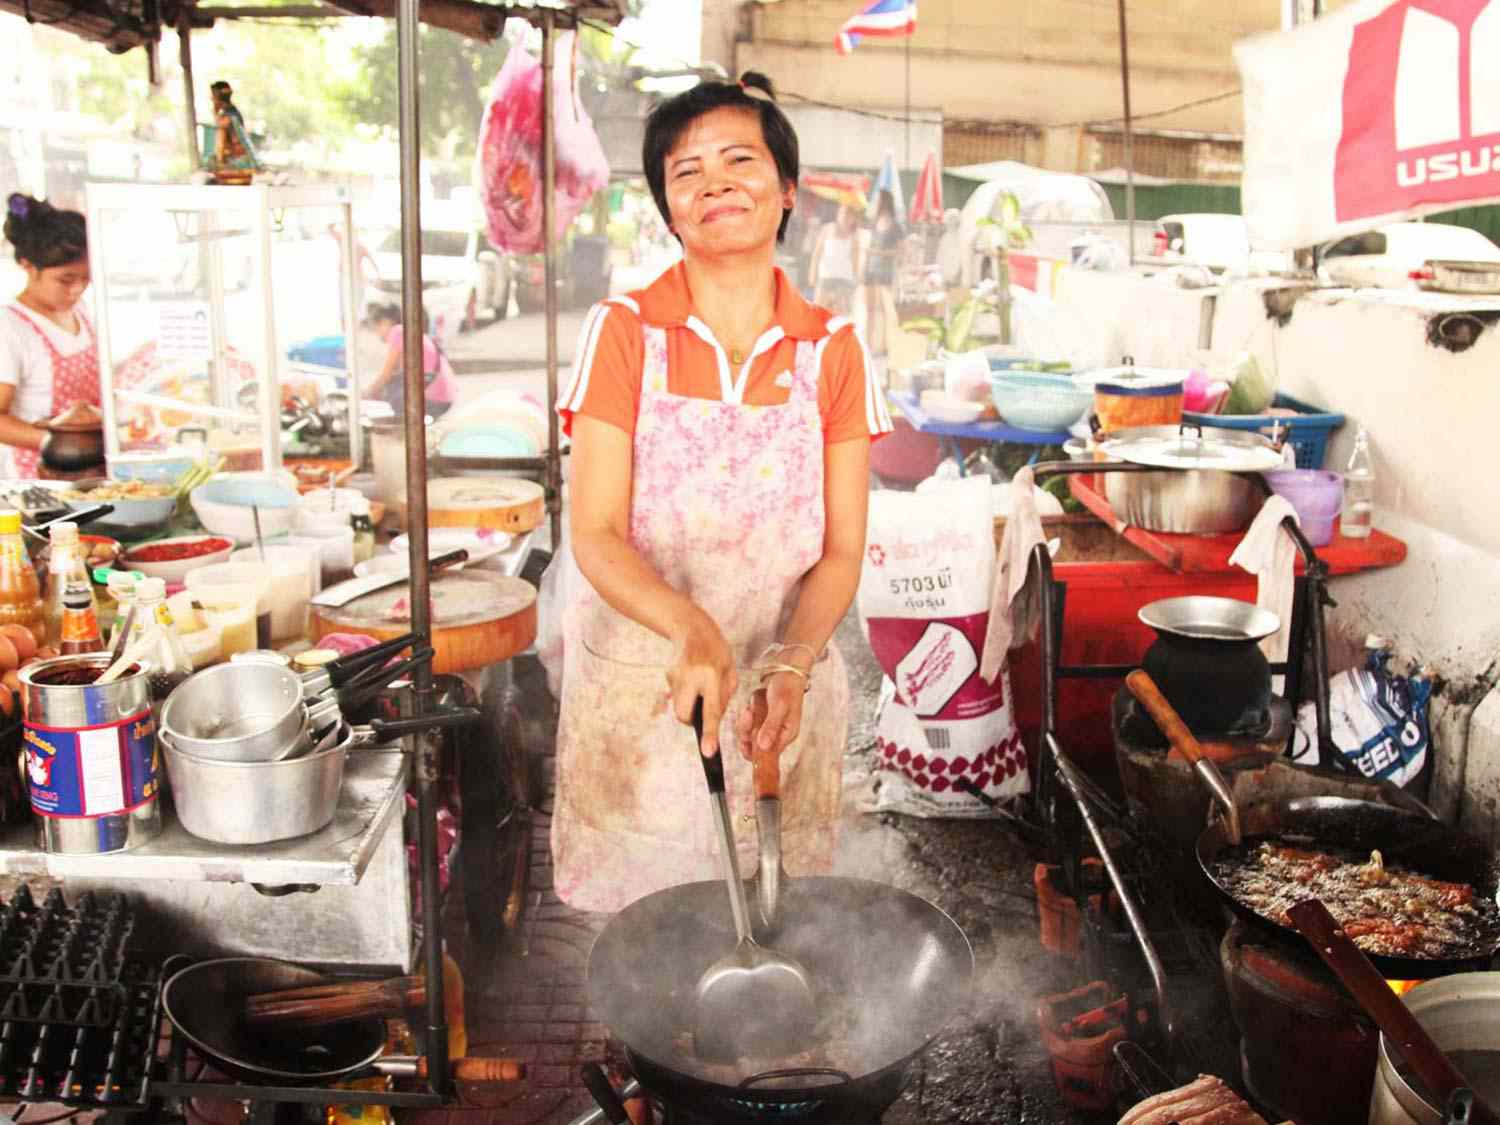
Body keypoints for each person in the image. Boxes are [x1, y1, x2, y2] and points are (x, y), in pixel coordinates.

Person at [548, 71, 894, 914]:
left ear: (787, 190)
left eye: (740, 160)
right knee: (642, 935)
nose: (714, 184)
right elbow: (595, 532)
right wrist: (690, 625)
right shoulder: (623, 332)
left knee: (775, 924)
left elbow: (842, 549)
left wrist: (793, 661)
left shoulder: (836, 351)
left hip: (783, 693)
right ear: (670, 211)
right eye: (687, 172)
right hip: (643, 692)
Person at [0, 194, 98, 478]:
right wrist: (56, 444)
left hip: (90, 465)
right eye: (66, 279)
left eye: (86, 278)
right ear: (28, 266)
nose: (77, 289)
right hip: (38, 473)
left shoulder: (80, 310)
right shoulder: (10, 328)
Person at [362, 303, 457, 419]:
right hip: (445, 400)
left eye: (377, 327)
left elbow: (386, 375)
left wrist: (365, 394)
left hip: (434, 400)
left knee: (390, 396)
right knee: (390, 389)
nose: (377, 333)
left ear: (386, 322)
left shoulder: (397, 331)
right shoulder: (409, 332)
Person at [862, 189, 903, 356]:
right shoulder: (873, 223)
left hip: (885, 271)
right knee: (870, 309)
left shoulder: (895, 226)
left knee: (885, 309)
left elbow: (900, 251)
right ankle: (868, 344)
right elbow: (867, 247)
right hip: (870, 270)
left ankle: (886, 344)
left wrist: (879, 253)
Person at [807, 202, 862, 315]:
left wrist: (856, 280)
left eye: (848, 214)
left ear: (853, 218)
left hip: (844, 278)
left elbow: (855, 261)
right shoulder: (827, 229)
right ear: (838, 214)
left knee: (841, 314)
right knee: (818, 311)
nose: (845, 216)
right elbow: (817, 254)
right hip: (826, 276)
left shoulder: (854, 236)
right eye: (842, 213)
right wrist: (812, 274)